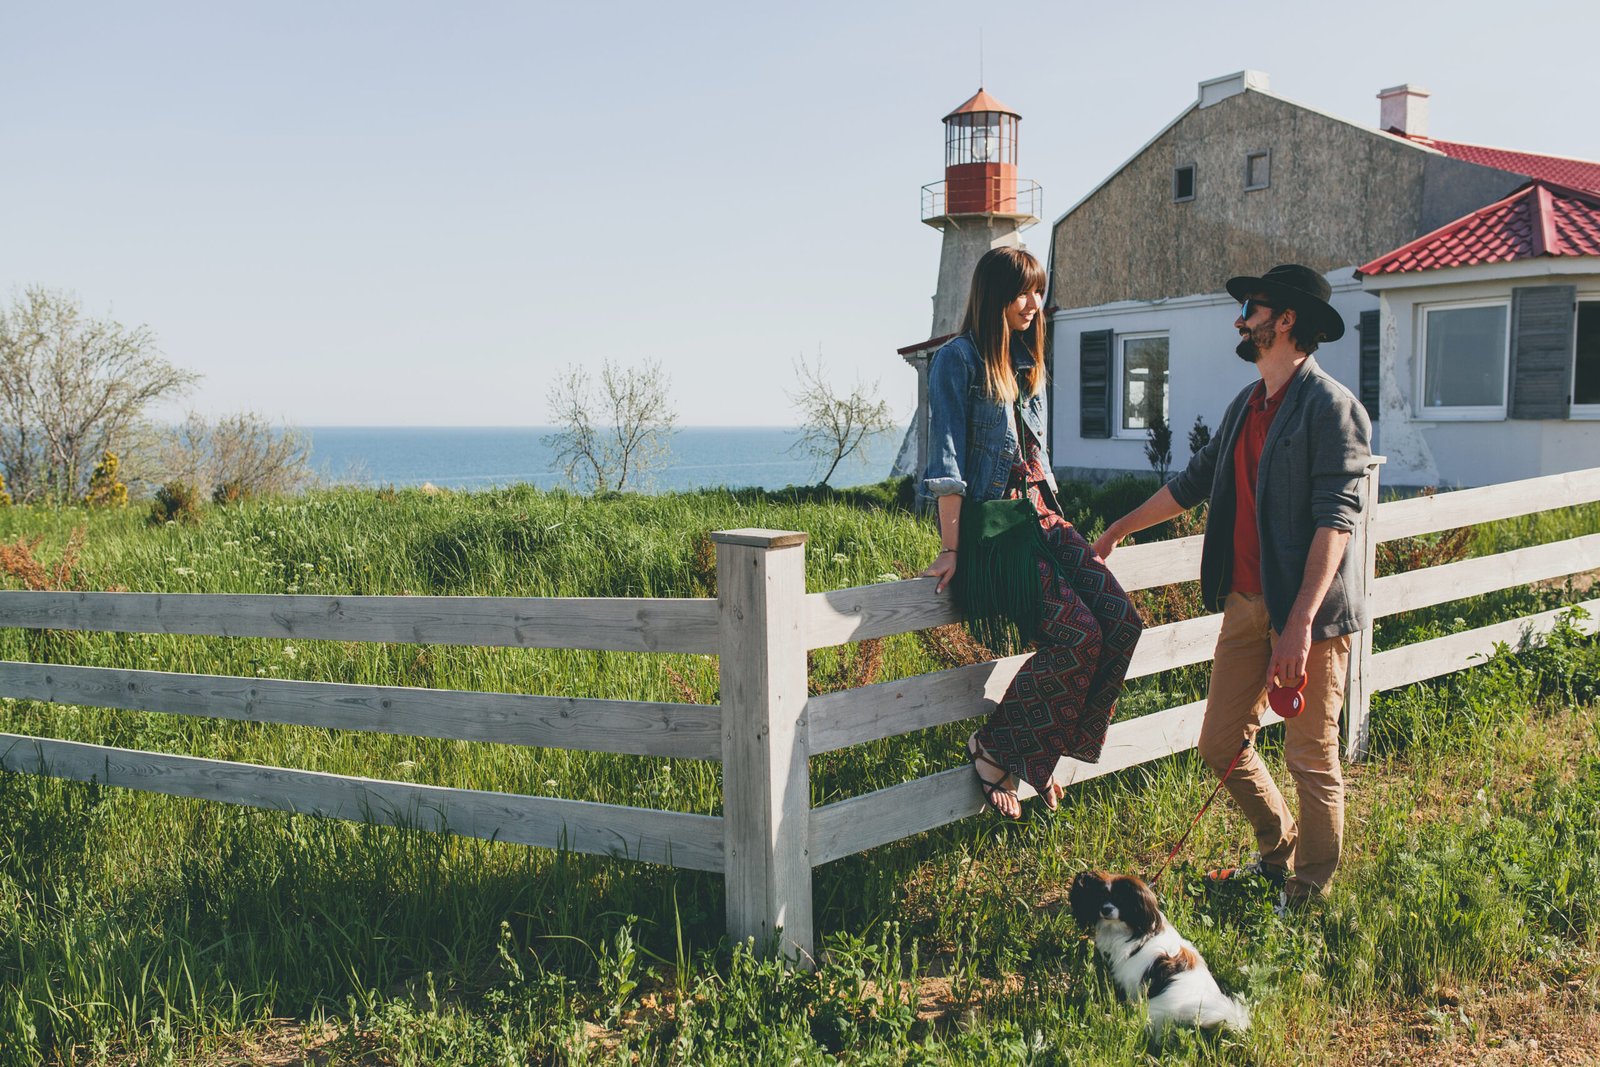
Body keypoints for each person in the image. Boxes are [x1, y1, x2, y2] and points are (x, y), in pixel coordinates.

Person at [1092, 263, 1372, 909]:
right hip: (1246, 606)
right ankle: (1279, 847)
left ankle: (1310, 891)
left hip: (1311, 616)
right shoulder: (1245, 406)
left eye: (1252, 307)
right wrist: (1119, 529)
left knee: (1310, 756)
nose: (1240, 318)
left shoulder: (1332, 408)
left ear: (1286, 320)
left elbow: (1337, 523)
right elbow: (1189, 484)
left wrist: (1299, 624)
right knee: (1219, 741)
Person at [921, 246, 1144, 819]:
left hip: (1043, 517)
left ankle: (1036, 753)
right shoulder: (958, 360)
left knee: (1120, 622)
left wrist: (1061, 521)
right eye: (1022, 292)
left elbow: (1037, 457)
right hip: (996, 531)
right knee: (1078, 638)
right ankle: (997, 750)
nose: (1033, 303)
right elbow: (946, 461)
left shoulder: (1028, 363)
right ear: (993, 294)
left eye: (1039, 291)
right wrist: (951, 548)